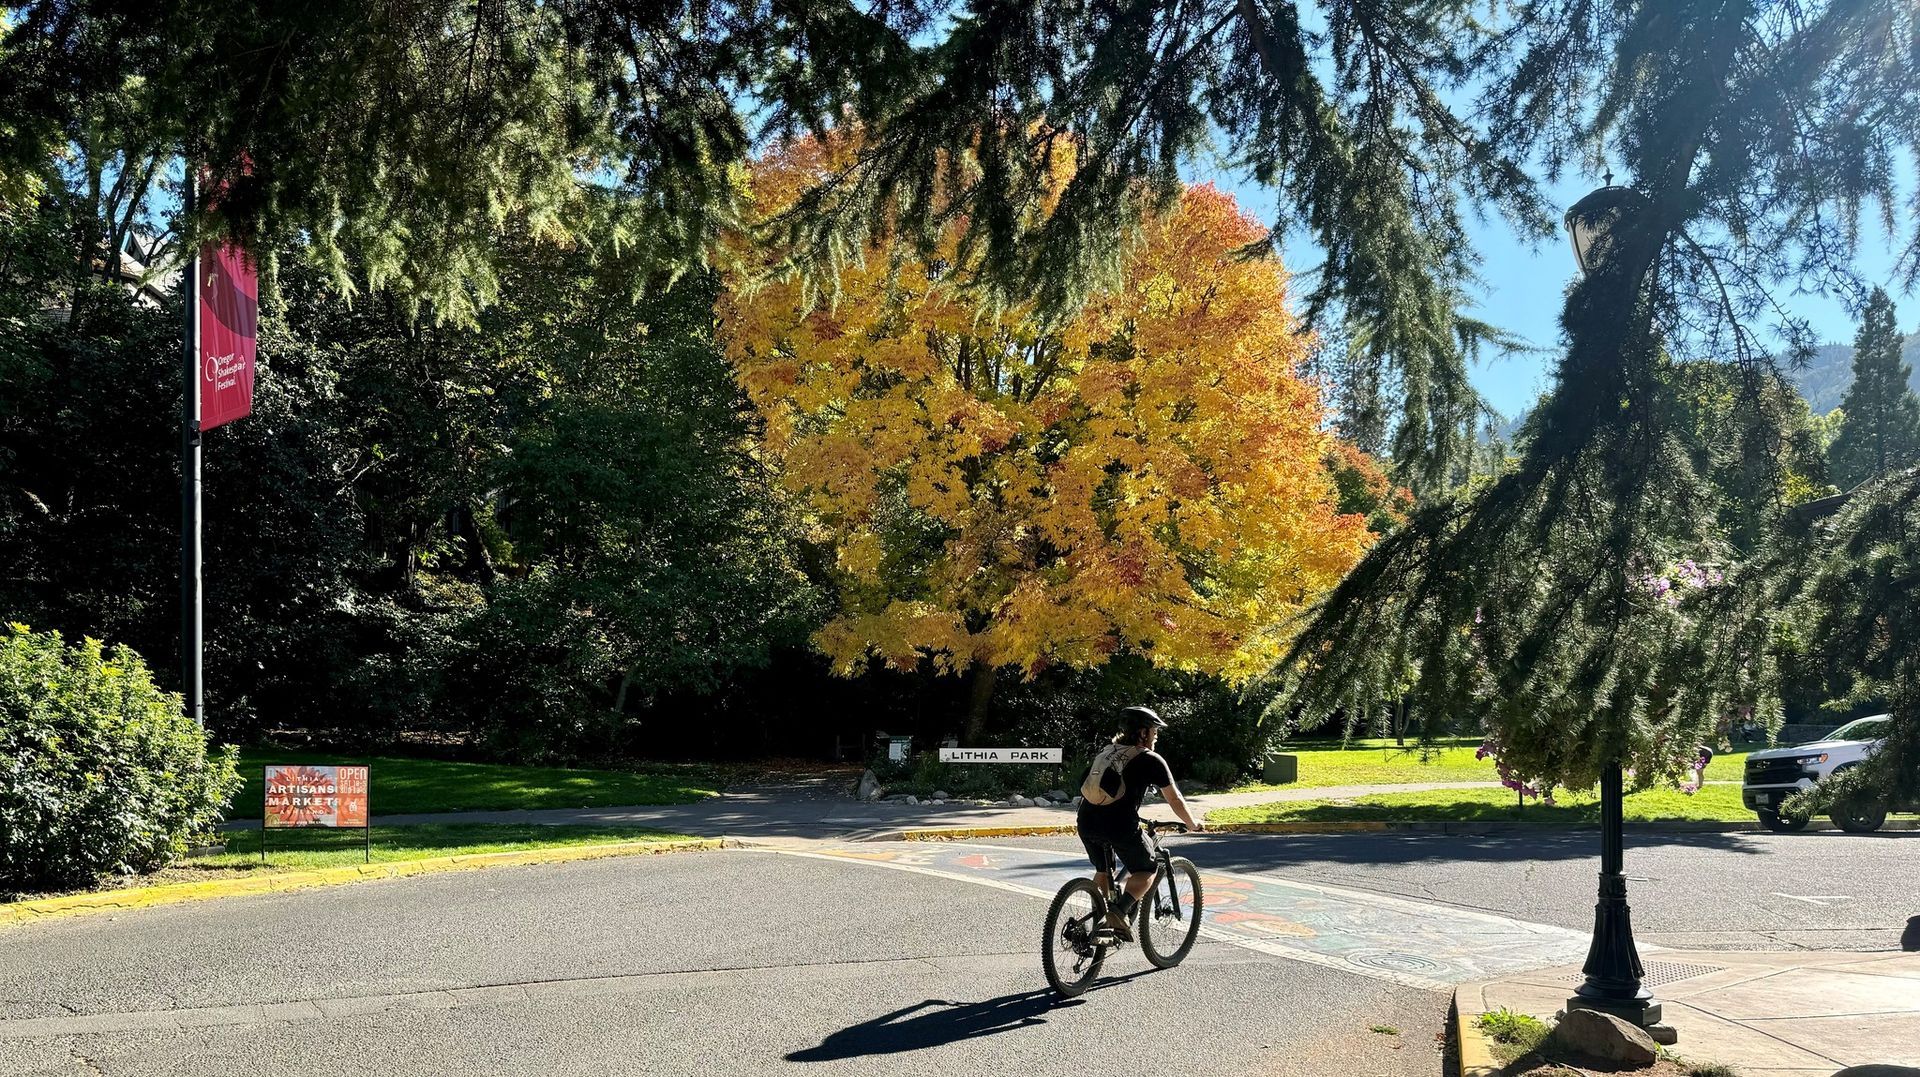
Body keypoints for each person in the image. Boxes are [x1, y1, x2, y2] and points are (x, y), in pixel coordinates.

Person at [1074, 705, 1201, 942]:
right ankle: (1118, 912)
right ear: (1142, 733)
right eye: (1154, 731)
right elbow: (1174, 798)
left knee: (1104, 871)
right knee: (1146, 870)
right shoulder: (1151, 759)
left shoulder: (1106, 752)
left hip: (1087, 821)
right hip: (1119, 824)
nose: (1156, 736)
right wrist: (1192, 824)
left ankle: (1095, 926)